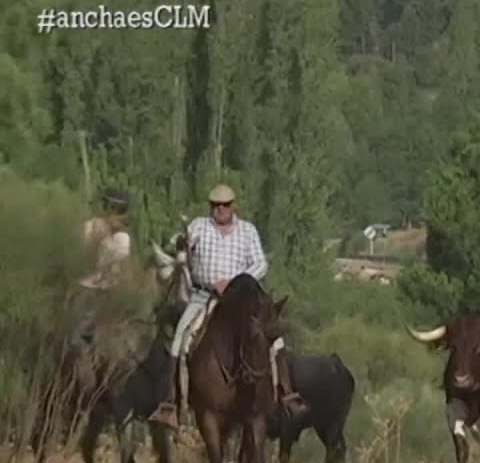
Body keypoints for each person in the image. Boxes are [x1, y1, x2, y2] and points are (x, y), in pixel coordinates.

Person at [148, 183, 306, 428]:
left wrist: (235, 282)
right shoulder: (199, 226)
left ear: (234, 206)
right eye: (215, 205)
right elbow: (183, 247)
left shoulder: (247, 231)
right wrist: (182, 242)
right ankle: (170, 403)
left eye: (225, 205)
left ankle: (287, 395)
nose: (220, 209)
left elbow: (260, 264)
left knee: (274, 338)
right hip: (204, 296)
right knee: (180, 338)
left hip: (241, 300)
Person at [68, 188, 133, 355]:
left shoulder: (90, 226)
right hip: (100, 291)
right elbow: (121, 268)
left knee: (80, 337)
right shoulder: (121, 237)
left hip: (89, 289)